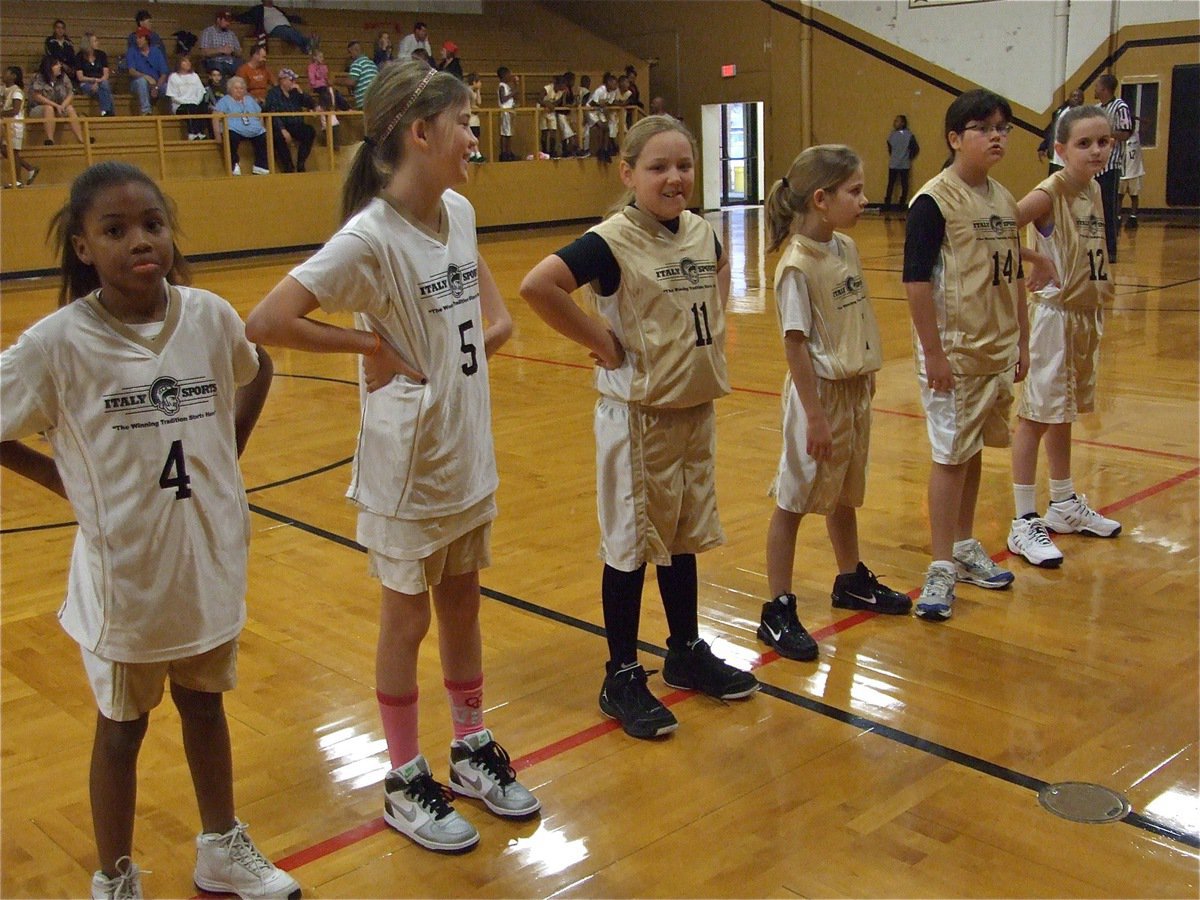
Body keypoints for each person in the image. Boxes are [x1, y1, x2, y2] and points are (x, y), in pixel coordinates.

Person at [245, 60, 535, 853]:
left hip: (465, 451)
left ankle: (470, 747)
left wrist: (468, 349)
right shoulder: (370, 235)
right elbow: (268, 320)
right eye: (465, 122)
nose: (475, 135)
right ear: (420, 132)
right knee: (405, 617)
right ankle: (406, 776)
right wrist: (368, 341)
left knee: (465, 601)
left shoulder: (460, 213)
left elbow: (494, 317)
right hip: (407, 465)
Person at [0, 160, 296, 900]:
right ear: (81, 247)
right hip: (126, 572)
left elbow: (257, 366)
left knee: (206, 704)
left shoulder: (208, 315)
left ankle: (221, 847)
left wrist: (226, 452)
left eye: (153, 225)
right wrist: (61, 481)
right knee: (123, 727)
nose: (140, 240)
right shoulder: (55, 345)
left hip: (206, 556)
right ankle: (115, 877)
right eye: (115, 229)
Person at [518, 115, 759, 740]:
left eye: (683, 165)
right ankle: (621, 673)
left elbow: (717, 277)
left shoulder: (703, 233)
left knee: (681, 535)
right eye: (658, 167)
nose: (674, 177)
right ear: (629, 174)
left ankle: (683, 650)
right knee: (630, 545)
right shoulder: (612, 239)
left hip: (692, 409)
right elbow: (538, 286)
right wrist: (601, 340)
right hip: (637, 417)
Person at [760, 145, 913, 660]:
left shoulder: (844, 247)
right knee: (795, 498)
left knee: (845, 491)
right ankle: (777, 608)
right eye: (855, 191)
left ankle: (849, 579)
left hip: (852, 390)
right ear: (821, 199)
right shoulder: (796, 266)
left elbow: (855, 317)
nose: (865, 200)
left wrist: (865, 372)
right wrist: (816, 415)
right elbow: (795, 343)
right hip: (818, 396)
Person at [902, 89, 1029, 621]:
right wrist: (933, 353)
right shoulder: (933, 201)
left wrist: (1022, 337)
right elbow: (915, 282)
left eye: (1003, 126)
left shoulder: (1002, 198)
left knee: (972, 449)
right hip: (954, 353)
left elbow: (1014, 273)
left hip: (996, 350)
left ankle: (963, 543)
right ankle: (939, 566)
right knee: (950, 456)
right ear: (956, 138)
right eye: (985, 127)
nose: (996, 135)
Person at [1005, 105, 1122, 568]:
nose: (1097, 150)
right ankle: (1022, 519)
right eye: (1084, 143)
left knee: (1062, 412)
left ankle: (1063, 503)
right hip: (1051, 318)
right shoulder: (1047, 193)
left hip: (1083, 315)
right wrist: (1038, 261)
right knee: (1035, 416)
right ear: (1059, 149)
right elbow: (997, 232)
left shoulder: (1091, 189)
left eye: (1104, 142)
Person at [1092, 74, 1132, 263]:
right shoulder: (1097, 109)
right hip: (1094, 166)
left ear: (1105, 88)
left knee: (1108, 209)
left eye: (1097, 85)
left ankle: (1111, 250)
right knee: (1094, 210)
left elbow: (1125, 132)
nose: (1095, 88)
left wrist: (1105, 134)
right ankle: (1095, 248)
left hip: (1111, 166)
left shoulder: (1120, 107)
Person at [214, 76, 269, 175]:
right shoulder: (225, 100)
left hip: (253, 129)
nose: (239, 90)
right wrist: (217, 135)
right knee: (231, 137)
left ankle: (260, 166)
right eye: (236, 88)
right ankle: (234, 164)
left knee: (263, 136)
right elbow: (215, 117)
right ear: (230, 89)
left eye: (241, 88)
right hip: (234, 129)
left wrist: (261, 127)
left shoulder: (249, 99)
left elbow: (259, 115)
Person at [264, 68, 315, 172]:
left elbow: (310, 104)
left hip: (295, 124)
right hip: (280, 125)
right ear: (283, 80)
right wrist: (282, 129)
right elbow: (272, 112)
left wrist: (301, 92)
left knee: (309, 131)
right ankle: (288, 167)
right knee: (279, 137)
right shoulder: (273, 93)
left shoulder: (295, 93)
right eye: (291, 80)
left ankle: (301, 163)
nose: (294, 82)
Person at [28, 55, 85, 145]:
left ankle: (81, 139)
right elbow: (37, 96)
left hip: (59, 107)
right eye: (57, 65)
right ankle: (50, 139)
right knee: (49, 108)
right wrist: (56, 105)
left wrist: (63, 105)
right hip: (38, 109)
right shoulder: (39, 77)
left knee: (69, 108)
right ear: (49, 66)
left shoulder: (63, 77)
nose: (60, 66)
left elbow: (70, 93)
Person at [1, 67, 39, 187]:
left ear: (14, 76)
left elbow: (15, 110)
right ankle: (29, 168)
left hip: (15, 125)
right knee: (5, 150)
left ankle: (17, 180)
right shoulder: (3, 89)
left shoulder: (17, 91)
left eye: (6, 72)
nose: (3, 74)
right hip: (5, 124)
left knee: (12, 153)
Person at [235, 2, 316, 55]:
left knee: (292, 31)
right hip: (274, 30)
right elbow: (247, 16)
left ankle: (306, 47)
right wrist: (233, 16)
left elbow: (288, 17)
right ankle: (308, 43)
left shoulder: (277, 8)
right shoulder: (258, 9)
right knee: (287, 31)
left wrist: (300, 20)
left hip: (287, 27)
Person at [1037, 88, 1083, 174]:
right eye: (1074, 96)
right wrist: (1043, 147)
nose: (1076, 98)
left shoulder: (1083, 116)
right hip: (1055, 158)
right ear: (1069, 98)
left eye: (1079, 97)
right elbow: (1053, 131)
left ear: (1083, 100)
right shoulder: (1060, 111)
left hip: (1069, 160)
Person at [125, 27, 169, 116]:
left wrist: (156, 87)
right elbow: (132, 71)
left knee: (167, 87)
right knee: (141, 82)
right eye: (137, 38)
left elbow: (164, 73)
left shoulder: (156, 51)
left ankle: (171, 113)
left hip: (156, 83)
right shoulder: (132, 51)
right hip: (138, 83)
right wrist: (146, 77)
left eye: (140, 38)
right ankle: (146, 111)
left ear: (147, 39)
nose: (138, 40)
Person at [168, 57, 212, 140]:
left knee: (203, 107)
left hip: (195, 102)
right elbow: (173, 97)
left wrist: (196, 101)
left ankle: (201, 132)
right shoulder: (173, 77)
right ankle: (192, 133)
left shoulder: (195, 76)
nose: (188, 63)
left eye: (189, 61)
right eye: (185, 61)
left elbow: (200, 92)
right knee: (190, 107)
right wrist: (187, 102)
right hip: (180, 105)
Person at [75, 33, 115, 118]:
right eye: (95, 41)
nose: (98, 43)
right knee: (106, 91)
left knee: (104, 85)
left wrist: (98, 82)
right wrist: (94, 80)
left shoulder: (101, 55)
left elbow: (106, 74)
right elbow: (80, 77)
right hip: (86, 83)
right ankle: (109, 113)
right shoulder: (79, 56)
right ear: (88, 43)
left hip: (101, 82)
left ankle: (105, 112)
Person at [884, 115, 919, 211]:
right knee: (904, 185)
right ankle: (901, 204)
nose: (895, 123)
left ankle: (887, 204)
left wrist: (895, 155)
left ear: (903, 123)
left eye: (897, 121)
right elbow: (915, 148)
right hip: (904, 164)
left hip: (894, 163)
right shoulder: (909, 135)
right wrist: (908, 157)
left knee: (891, 184)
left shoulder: (892, 135)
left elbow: (890, 148)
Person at [199, 9, 244, 81]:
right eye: (225, 21)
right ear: (218, 20)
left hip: (230, 61)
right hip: (214, 61)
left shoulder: (231, 34)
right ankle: (221, 90)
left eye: (229, 21)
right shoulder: (208, 32)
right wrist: (221, 50)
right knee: (219, 67)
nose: (228, 23)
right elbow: (204, 52)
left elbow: (239, 53)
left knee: (242, 66)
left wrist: (233, 50)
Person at [1119, 119, 1143, 229]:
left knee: (1134, 196)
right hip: (1122, 172)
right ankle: (1118, 217)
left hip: (1134, 172)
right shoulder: (1121, 137)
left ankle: (1133, 217)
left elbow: (1148, 123)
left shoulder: (1136, 135)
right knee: (1119, 197)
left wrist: (1136, 118)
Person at [345, 42, 378, 110]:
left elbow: (351, 82)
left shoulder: (357, 63)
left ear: (355, 50)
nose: (350, 56)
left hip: (365, 101)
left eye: (350, 52)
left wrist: (335, 81)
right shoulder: (372, 63)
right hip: (375, 99)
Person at [496, 66, 515, 161]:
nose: (510, 76)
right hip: (505, 111)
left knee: (508, 132)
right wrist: (513, 93)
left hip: (509, 111)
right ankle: (504, 153)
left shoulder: (507, 86)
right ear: (504, 76)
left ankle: (508, 151)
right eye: (509, 74)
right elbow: (503, 99)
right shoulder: (502, 86)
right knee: (505, 133)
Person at [465, 72, 484, 161]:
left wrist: (478, 91)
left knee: (476, 135)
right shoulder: (467, 91)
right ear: (474, 82)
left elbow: (479, 103)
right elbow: (470, 105)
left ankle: (475, 153)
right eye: (479, 82)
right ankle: (474, 154)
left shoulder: (475, 91)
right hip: (470, 118)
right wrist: (475, 108)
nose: (481, 84)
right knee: (471, 136)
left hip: (475, 118)